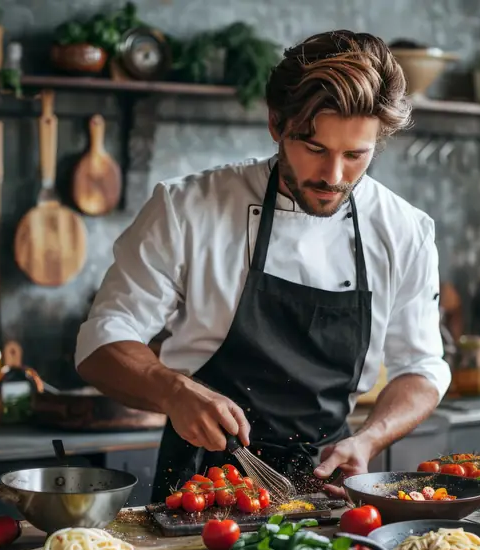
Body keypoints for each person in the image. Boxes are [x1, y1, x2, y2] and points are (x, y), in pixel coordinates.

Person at [75, 30, 451, 502]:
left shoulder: (404, 230)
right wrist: (173, 392)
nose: (334, 177)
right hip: (199, 490)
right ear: (276, 123)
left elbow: (420, 366)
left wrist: (369, 438)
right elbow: (101, 342)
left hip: (325, 490)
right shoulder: (187, 207)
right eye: (314, 148)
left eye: (356, 155)